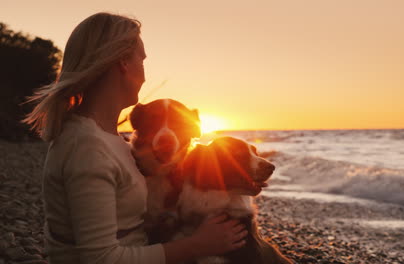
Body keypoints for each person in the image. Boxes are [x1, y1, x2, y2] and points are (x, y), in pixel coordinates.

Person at [24, 12, 247, 264]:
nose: (144, 73)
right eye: (142, 60)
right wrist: (196, 245)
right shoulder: (87, 147)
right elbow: (101, 259)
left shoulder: (104, 137)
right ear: (123, 63)